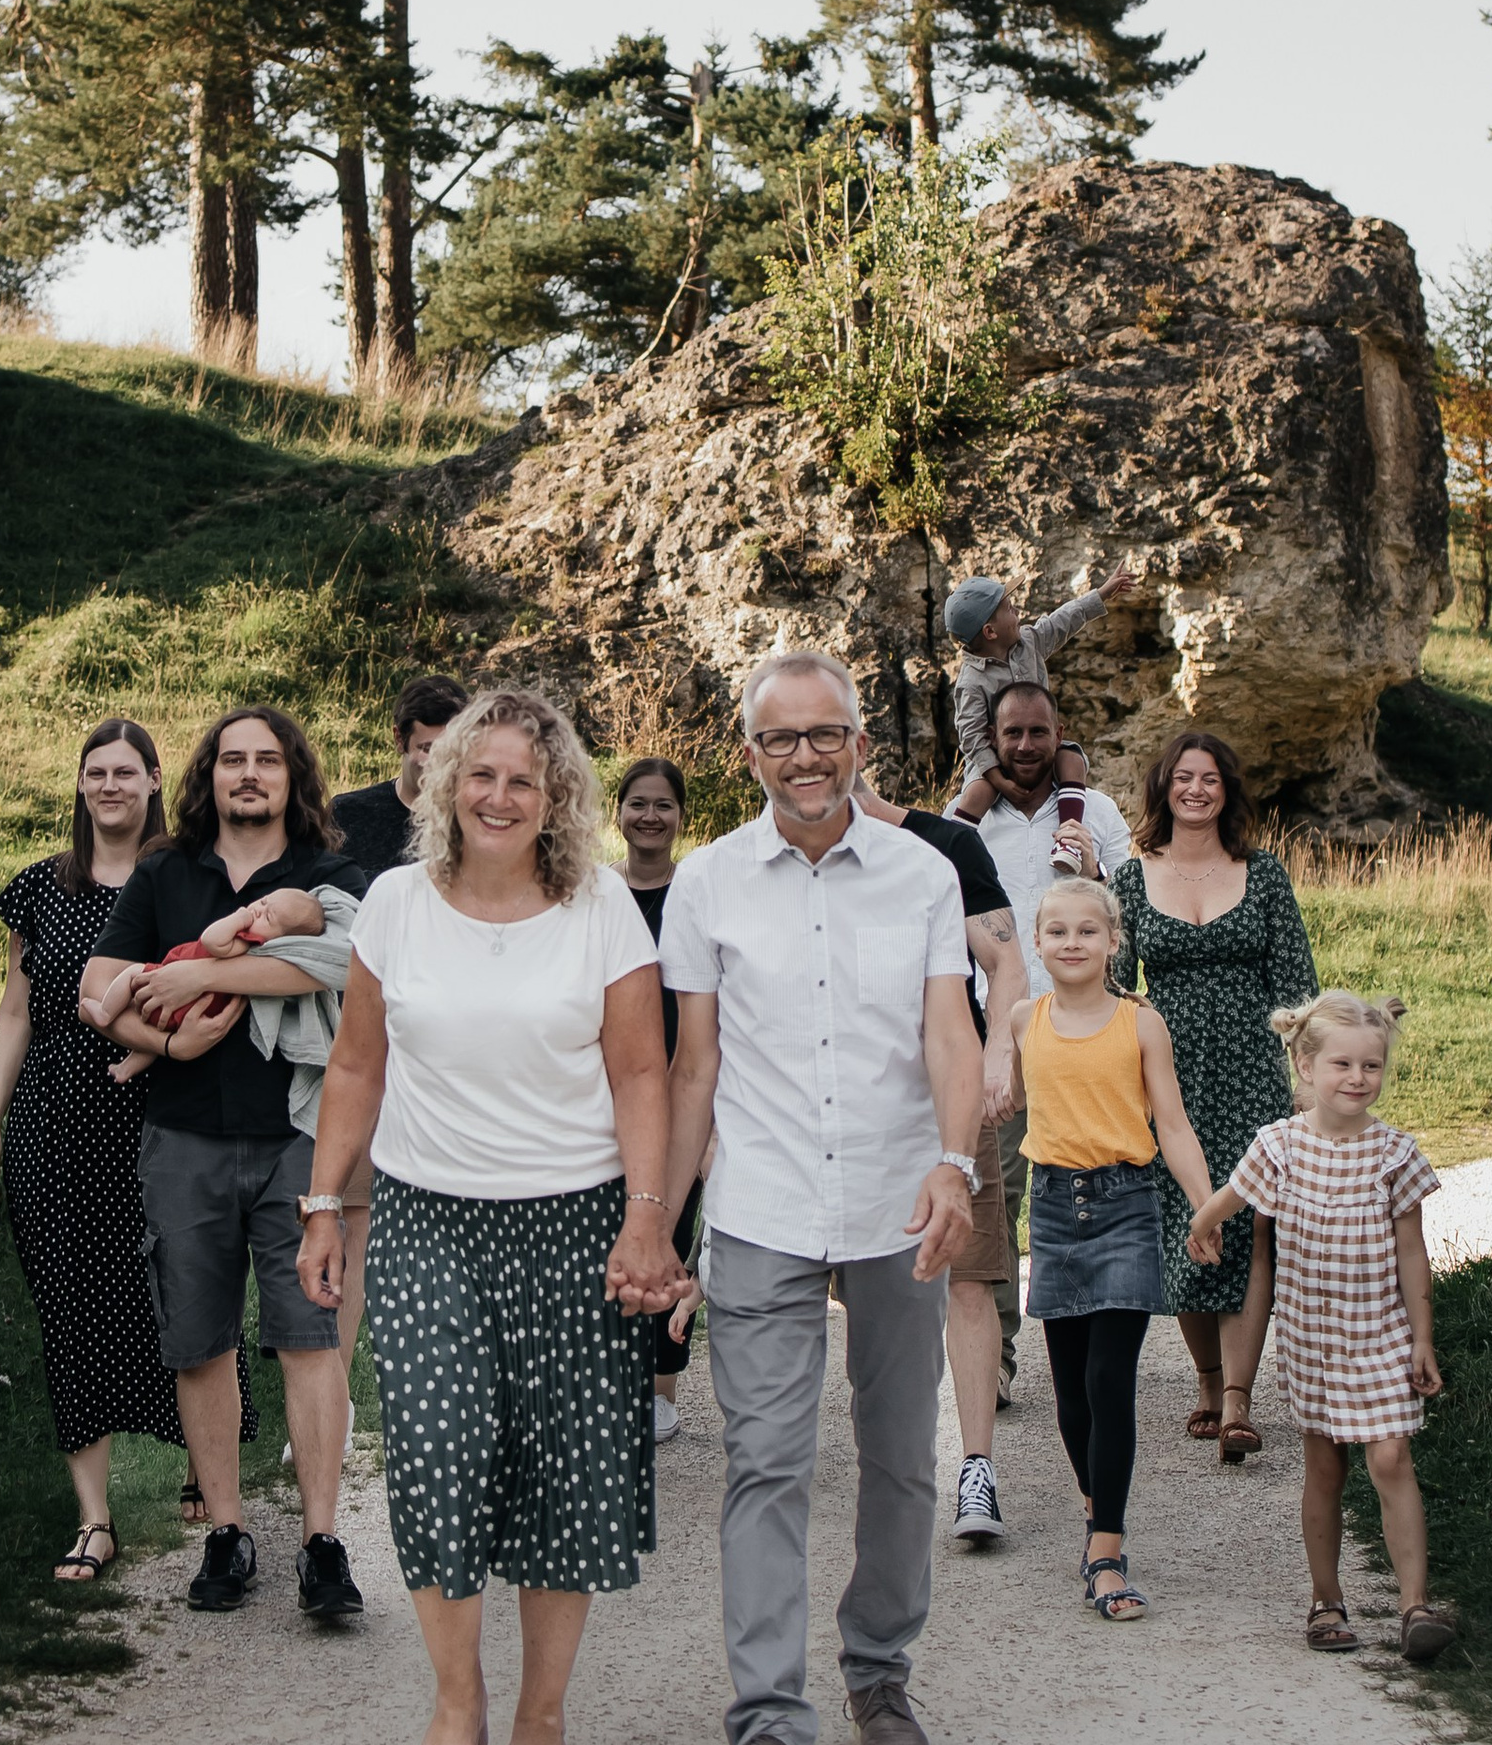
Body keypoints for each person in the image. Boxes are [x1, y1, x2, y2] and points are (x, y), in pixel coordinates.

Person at [295, 689, 677, 1745]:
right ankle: (457, 1702)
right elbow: (356, 1066)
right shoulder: (395, 903)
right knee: (437, 1455)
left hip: (576, 1222)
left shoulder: (600, 906)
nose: (499, 797)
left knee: (567, 1471)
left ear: (555, 798)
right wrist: (323, 1204)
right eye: (481, 774)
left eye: (523, 780)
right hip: (429, 1223)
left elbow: (641, 1071)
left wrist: (646, 1217)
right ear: (446, 782)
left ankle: (539, 1717)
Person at [658, 651, 985, 1745]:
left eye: (824, 734)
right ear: (749, 753)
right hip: (762, 1204)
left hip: (901, 1202)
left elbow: (952, 1036)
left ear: (859, 743)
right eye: (781, 738)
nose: (805, 756)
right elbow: (692, 1069)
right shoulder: (705, 883)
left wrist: (955, 1163)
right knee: (765, 1463)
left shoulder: (922, 873)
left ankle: (879, 1672)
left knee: (900, 1457)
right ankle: (768, 1710)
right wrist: (658, 1227)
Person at [81, 705, 368, 1619]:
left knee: (309, 1336)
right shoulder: (166, 870)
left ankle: (322, 1543)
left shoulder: (327, 874)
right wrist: (168, 1044)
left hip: (298, 1141)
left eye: (267, 760)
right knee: (200, 1339)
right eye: (232, 759)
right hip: (183, 1138)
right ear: (208, 775)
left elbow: (338, 968)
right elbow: (98, 989)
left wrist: (201, 975)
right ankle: (227, 1534)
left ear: (293, 777)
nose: (249, 773)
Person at [0, 717, 251, 1580]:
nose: (109, 787)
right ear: (80, 783)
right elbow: (15, 1011)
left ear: (155, 780)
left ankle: (204, 1465)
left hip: (161, 1112)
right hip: (54, 1120)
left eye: (125, 772)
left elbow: (219, 993)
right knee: (68, 1305)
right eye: (96, 773)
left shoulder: (188, 878)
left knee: (180, 1285)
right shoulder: (39, 888)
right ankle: (93, 1519)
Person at [1187, 991, 1454, 1662]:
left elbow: (1412, 1252)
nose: (1358, 1078)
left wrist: (1423, 1338)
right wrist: (1203, 1223)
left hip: (1381, 1334)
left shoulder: (1394, 1154)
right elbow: (1231, 1196)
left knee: (1391, 1457)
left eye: (1371, 1066)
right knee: (1325, 1469)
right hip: (1313, 1340)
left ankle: (1415, 1606)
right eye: (1343, 1064)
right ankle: (1326, 1600)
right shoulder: (1279, 1146)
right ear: (1306, 1066)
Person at [1112, 729, 1318, 1463]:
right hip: (1166, 1076)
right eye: (1183, 778)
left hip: (1251, 1072)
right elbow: (1112, 985)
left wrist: (1306, 1079)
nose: (1196, 790)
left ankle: (1237, 1399)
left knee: (1251, 1222)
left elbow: (1297, 985)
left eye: (1210, 779)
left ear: (1227, 791)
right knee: (1184, 1223)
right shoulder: (1130, 878)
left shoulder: (1263, 874)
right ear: (1163, 788)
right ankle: (1205, 1379)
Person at [1010, 875, 1212, 1620]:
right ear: (1038, 943)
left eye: (1087, 931)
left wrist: (1204, 1207)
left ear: (1113, 942)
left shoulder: (1141, 1024)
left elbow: (1174, 1125)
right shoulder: (1022, 1020)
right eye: (1058, 931)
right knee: (1069, 1394)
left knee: (1107, 1379)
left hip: (1127, 1205)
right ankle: (1098, 1501)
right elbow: (1009, 1097)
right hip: (1053, 1210)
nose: (1073, 943)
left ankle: (1105, 1548)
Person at [850, 775, 1025, 1547]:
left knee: (970, 1276)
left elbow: (1006, 961)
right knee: (869, 1285)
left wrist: (1000, 1054)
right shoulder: (799, 862)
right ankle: (891, 1462)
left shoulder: (949, 844)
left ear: (857, 754)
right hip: (858, 1097)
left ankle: (976, 1468)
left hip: (951, 1086)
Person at [952, 683, 1132, 1412]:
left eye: (1037, 731)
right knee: (997, 1192)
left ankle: (1088, 1336)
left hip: (1083, 1033)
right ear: (992, 739)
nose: (1025, 746)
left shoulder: (1099, 814)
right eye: (1011, 733)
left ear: (1060, 733)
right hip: (995, 1030)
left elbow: (1133, 918)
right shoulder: (966, 820)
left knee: (1088, 1184)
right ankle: (995, 1356)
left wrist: (1096, 873)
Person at [614, 754, 704, 1445]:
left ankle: (660, 1386)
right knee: (606, 1233)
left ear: (680, 817)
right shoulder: (592, 894)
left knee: (671, 1228)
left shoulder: (696, 897)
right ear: (617, 812)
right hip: (605, 1094)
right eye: (637, 803)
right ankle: (605, 1382)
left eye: (663, 805)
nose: (650, 816)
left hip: (681, 1093)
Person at [942, 568, 1139, 849]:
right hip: (995, 759)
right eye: (1009, 609)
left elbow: (1063, 620)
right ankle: (954, 849)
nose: (1017, 613)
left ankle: (1068, 840)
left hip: (1039, 747)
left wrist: (1102, 594)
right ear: (990, 631)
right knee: (977, 792)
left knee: (1072, 762)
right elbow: (971, 736)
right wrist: (999, 780)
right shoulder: (971, 681)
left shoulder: (1029, 642)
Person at [80, 885, 328, 1082]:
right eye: (263, 902)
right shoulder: (258, 952)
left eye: (268, 917)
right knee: (156, 1035)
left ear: (279, 939)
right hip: (186, 1010)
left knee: (133, 973)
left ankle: (105, 1012)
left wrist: (239, 917)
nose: (257, 910)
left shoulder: (246, 940)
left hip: (181, 998)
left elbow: (211, 940)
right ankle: (127, 1068)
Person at [330, 673, 469, 884]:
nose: (440, 762)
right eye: (427, 749)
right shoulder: (346, 814)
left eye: (451, 750)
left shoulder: (477, 822)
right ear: (399, 739)